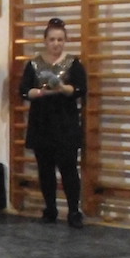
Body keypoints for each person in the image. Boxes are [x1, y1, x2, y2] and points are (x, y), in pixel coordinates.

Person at [20, 17, 88, 227]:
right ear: (45, 41)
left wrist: (62, 88)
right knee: (45, 169)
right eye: (52, 40)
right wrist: (40, 92)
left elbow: (81, 89)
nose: (56, 44)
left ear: (65, 40)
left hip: (65, 122)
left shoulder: (73, 63)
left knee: (68, 169)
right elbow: (24, 91)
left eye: (60, 40)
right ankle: (50, 208)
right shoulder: (33, 64)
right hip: (41, 121)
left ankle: (74, 211)